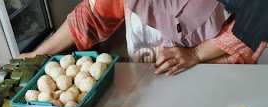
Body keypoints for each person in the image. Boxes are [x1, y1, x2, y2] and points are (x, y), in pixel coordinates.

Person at [23, 0, 267, 75]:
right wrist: (37, 55)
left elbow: (257, 16)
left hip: (218, 68)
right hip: (151, 74)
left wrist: (196, 54)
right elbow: (92, 15)